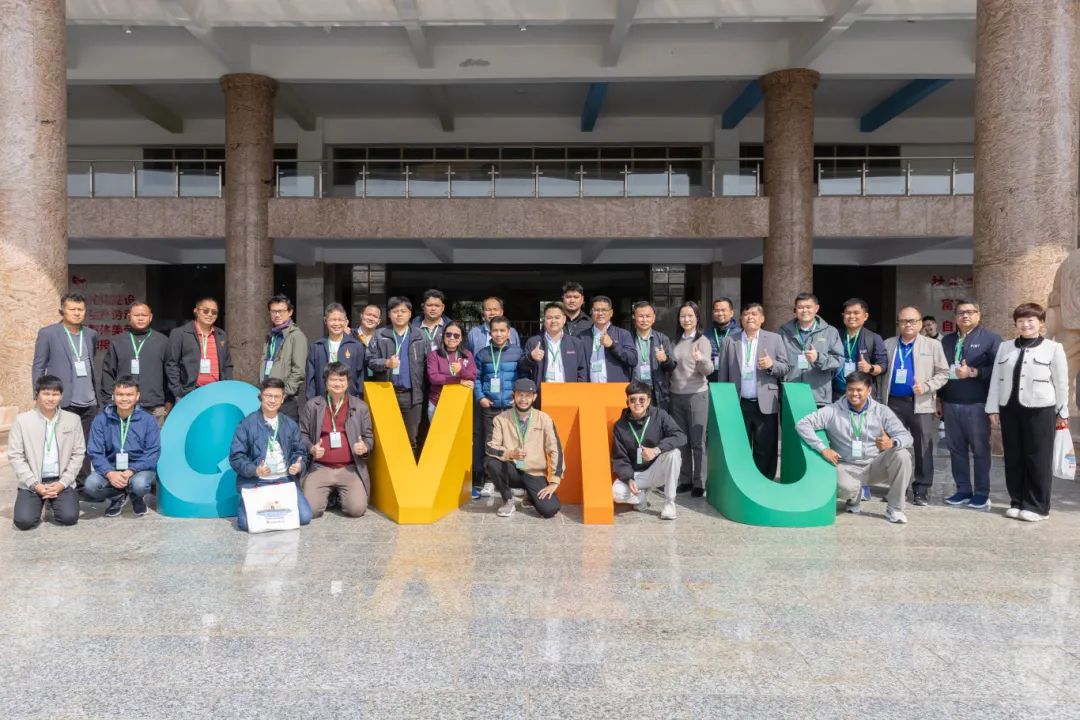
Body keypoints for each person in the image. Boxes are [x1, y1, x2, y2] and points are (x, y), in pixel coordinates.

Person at [986, 303, 1070, 522]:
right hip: (1009, 408)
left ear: (1040, 323)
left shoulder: (1053, 348)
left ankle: (1038, 506)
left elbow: (1061, 383)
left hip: (1040, 409)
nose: (1026, 325)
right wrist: (992, 407)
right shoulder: (1005, 347)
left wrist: (1063, 411)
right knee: (1014, 456)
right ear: (1015, 323)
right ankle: (1017, 501)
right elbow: (996, 378)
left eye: (1031, 320)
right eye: (1021, 320)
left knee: (1037, 457)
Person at [796, 371, 914, 524]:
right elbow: (802, 424)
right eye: (850, 389)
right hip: (847, 466)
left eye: (859, 390)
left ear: (869, 390)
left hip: (875, 464)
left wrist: (892, 442)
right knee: (843, 486)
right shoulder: (833, 410)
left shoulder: (881, 411)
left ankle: (895, 509)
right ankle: (853, 498)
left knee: (902, 455)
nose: (854, 394)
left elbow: (906, 437)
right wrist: (822, 448)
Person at [880, 306, 950, 506]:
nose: (908, 325)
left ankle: (922, 489)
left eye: (912, 321)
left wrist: (927, 386)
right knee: (894, 447)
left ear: (920, 324)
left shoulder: (933, 345)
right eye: (903, 321)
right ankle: (897, 488)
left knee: (923, 447)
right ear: (898, 324)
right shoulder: (888, 344)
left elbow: (944, 373)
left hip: (920, 404)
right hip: (893, 403)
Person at [939, 299, 1001, 510]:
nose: (965, 316)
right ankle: (963, 490)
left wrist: (974, 372)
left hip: (977, 403)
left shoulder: (991, 339)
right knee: (956, 449)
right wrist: (939, 398)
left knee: (980, 449)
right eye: (960, 312)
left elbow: (998, 369)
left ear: (978, 315)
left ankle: (982, 493)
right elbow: (940, 371)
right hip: (950, 402)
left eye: (970, 312)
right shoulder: (947, 341)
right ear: (955, 317)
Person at [716, 303, 789, 480]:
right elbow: (723, 374)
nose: (750, 317)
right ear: (741, 318)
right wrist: (724, 403)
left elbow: (785, 367)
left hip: (765, 403)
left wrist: (771, 365)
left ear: (762, 319)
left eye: (755, 314)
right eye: (746, 314)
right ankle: (743, 481)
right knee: (739, 447)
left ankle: (765, 482)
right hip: (738, 403)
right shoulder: (730, 341)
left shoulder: (774, 339)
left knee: (766, 447)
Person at [31, 291, 99, 482]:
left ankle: (83, 483)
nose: (77, 313)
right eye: (72, 309)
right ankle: (61, 484)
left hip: (89, 401)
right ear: (62, 310)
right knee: (61, 445)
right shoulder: (48, 333)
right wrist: (39, 395)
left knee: (85, 445)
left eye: (81, 309)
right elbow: (39, 365)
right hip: (63, 400)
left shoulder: (91, 334)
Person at [229, 377, 311, 532]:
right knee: (246, 524)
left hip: (284, 480)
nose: (272, 400)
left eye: (277, 396)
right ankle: (245, 503)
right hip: (258, 481)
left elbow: (300, 451)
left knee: (305, 516)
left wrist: (298, 465)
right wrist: (255, 470)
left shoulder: (290, 424)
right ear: (261, 396)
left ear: (283, 399)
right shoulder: (247, 424)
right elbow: (236, 457)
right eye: (268, 396)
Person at [9, 376, 85, 531]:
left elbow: (78, 453)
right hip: (33, 482)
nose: (51, 398)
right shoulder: (22, 421)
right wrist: (34, 484)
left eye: (55, 394)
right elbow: (15, 456)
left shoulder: (73, 420)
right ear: (37, 394)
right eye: (46, 393)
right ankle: (38, 501)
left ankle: (53, 501)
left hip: (60, 480)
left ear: (61, 396)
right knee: (24, 522)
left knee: (69, 517)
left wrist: (63, 483)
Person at [299, 362, 374, 519]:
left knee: (356, 510)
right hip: (320, 467)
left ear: (348, 382)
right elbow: (302, 435)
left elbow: (368, 437)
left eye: (342, 379)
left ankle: (337, 497)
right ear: (326, 381)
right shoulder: (313, 406)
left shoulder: (360, 407)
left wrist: (364, 447)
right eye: (333, 379)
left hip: (349, 468)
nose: (337, 383)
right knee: (310, 511)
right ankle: (330, 496)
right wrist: (312, 448)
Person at [83, 376, 161, 518]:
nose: (124, 399)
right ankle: (117, 496)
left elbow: (153, 452)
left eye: (129, 394)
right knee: (91, 485)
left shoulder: (148, 420)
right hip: (112, 467)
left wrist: (131, 470)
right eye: (120, 394)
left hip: (140, 469)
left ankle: (136, 497)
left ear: (137, 396)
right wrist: (109, 473)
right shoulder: (101, 420)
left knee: (140, 485)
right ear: (113, 396)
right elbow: (95, 451)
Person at [484, 378, 562, 519]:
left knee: (550, 509)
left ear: (534, 397)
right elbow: (490, 448)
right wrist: (510, 453)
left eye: (528, 395)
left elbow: (555, 449)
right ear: (513, 396)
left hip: (535, 473)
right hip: (512, 469)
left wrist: (555, 481)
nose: (523, 399)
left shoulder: (544, 419)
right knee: (491, 462)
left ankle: (530, 495)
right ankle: (508, 500)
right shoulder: (500, 419)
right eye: (520, 395)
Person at [611, 380, 686, 520]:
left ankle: (670, 503)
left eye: (642, 399)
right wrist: (628, 478)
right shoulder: (620, 426)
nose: (637, 403)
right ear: (627, 402)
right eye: (632, 399)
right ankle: (641, 497)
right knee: (616, 493)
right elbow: (620, 457)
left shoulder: (660, 415)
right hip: (637, 475)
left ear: (649, 400)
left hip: (658, 470)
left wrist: (656, 450)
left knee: (674, 453)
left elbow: (680, 436)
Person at [368, 296, 428, 455]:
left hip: (412, 395)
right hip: (387, 393)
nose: (399, 314)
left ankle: (409, 469)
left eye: (403, 311)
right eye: (395, 311)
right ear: (389, 314)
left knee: (411, 438)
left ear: (410, 314)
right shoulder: (380, 335)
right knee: (387, 437)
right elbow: (370, 360)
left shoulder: (420, 335)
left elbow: (429, 363)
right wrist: (386, 363)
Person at [101, 301, 172, 427]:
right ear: (129, 317)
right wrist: (109, 400)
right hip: (124, 405)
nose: (140, 318)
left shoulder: (163, 341)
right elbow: (108, 373)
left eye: (144, 315)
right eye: (136, 315)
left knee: (154, 439)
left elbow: (170, 373)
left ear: (150, 317)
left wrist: (169, 399)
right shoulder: (118, 342)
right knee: (125, 438)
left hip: (154, 406)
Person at [669, 301, 714, 496]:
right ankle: (685, 479)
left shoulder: (702, 341)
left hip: (697, 394)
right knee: (682, 441)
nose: (686, 319)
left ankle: (699, 482)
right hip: (676, 396)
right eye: (682, 316)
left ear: (697, 318)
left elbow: (708, 370)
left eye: (690, 316)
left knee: (698, 441)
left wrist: (700, 359)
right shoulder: (675, 341)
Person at [474, 316, 523, 497]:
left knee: (516, 442)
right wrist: (481, 397)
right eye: (495, 330)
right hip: (491, 406)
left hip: (512, 407)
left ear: (509, 332)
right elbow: (476, 378)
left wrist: (517, 398)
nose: (499, 334)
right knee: (491, 443)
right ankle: (489, 481)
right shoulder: (483, 354)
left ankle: (516, 480)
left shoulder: (518, 352)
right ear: (490, 332)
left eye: (502, 330)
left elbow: (524, 377)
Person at [779, 292, 845, 407]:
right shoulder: (784, 331)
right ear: (795, 310)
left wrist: (818, 358)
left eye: (808, 307)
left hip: (818, 395)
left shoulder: (830, 331)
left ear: (816, 308)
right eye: (800, 307)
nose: (804, 310)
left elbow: (839, 360)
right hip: (792, 393)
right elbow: (779, 360)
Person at [518, 302, 587, 405]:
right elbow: (522, 367)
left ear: (564, 319)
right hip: (541, 395)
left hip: (569, 394)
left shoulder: (575, 343)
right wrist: (531, 357)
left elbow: (582, 371)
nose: (553, 321)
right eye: (549, 318)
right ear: (544, 320)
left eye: (557, 317)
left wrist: (578, 392)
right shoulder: (534, 342)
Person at [166, 296, 233, 401]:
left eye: (214, 312)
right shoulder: (180, 333)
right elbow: (171, 363)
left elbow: (227, 364)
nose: (210, 314)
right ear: (196, 311)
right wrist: (178, 391)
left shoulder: (221, 335)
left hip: (217, 392)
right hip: (188, 393)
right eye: (205, 311)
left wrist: (226, 386)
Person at [261, 294, 308, 421]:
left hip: (286, 401)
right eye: (273, 311)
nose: (277, 315)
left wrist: (284, 393)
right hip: (268, 397)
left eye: (281, 311)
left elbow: (299, 371)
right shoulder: (272, 335)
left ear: (290, 312)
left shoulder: (296, 336)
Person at [306, 302, 365, 400]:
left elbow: (360, 377)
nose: (337, 324)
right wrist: (311, 402)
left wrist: (358, 401)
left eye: (340, 320)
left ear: (346, 322)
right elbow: (310, 379)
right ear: (325, 321)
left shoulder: (356, 346)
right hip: (322, 400)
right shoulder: (316, 347)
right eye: (333, 320)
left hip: (349, 401)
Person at [833, 298, 888, 400]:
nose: (851, 316)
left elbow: (883, 365)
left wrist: (870, 368)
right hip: (836, 394)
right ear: (843, 315)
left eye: (856, 313)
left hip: (861, 396)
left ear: (865, 316)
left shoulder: (874, 338)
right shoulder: (834, 335)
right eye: (848, 313)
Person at [426, 320, 477, 419]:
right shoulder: (434, 355)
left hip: (460, 401)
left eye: (456, 335)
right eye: (448, 334)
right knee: (438, 429)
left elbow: (472, 376)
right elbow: (434, 378)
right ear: (443, 336)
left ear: (461, 338)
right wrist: (459, 381)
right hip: (437, 401)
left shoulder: (467, 354)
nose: (452, 338)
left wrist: (461, 370)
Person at [630, 301, 676, 410]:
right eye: (641, 316)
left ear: (654, 318)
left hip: (657, 392)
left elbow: (672, 367)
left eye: (648, 316)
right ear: (634, 317)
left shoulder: (662, 339)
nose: (644, 320)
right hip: (635, 391)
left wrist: (665, 359)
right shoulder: (628, 338)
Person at [583, 295, 636, 383]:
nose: (600, 313)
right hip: (589, 388)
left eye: (604, 310)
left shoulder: (623, 334)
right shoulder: (582, 336)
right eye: (596, 310)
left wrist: (613, 345)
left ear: (611, 313)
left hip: (615, 387)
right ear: (591, 312)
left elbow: (633, 360)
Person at [707, 297, 740, 381]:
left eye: (723, 310)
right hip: (711, 379)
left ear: (731, 313)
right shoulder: (706, 334)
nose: (720, 313)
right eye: (716, 311)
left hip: (733, 379)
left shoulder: (740, 334)